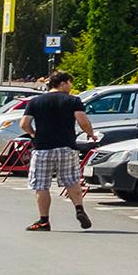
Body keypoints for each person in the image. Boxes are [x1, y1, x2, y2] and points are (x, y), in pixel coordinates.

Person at [19, 72, 95, 232]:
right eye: (70, 83)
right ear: (63, 83)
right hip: (66, 147)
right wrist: (90, 133)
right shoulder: (73, 101)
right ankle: (79, 209)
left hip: (42, 148)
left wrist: (33, 134)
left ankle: (43, 221)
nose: (71, 87)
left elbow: (24, 124)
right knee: (72, 181)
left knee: (41, 185)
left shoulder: (36, 101)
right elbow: (83, 121)